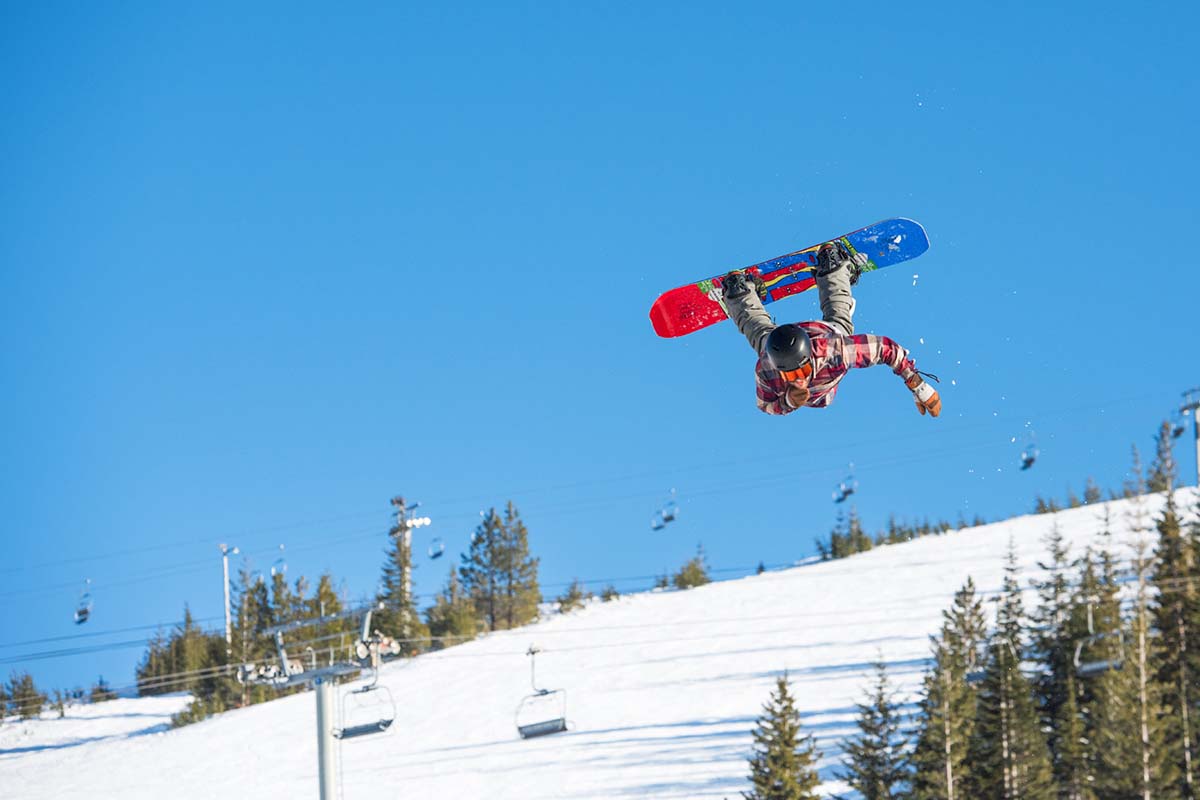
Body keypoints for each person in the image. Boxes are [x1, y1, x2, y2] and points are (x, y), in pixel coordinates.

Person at [721, 241, 941, 417]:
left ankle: (832, 266)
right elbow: (765, 405)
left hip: (824, 333)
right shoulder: (767, 366)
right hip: (780, 342)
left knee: (839, 323)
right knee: (761, 335)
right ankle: (740, 292)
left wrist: (917, 385)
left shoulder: (835, 352)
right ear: (778, 368)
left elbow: (886, 349)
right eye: (792, 374)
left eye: (803, 372)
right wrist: (787, 401)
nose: (799, 379)